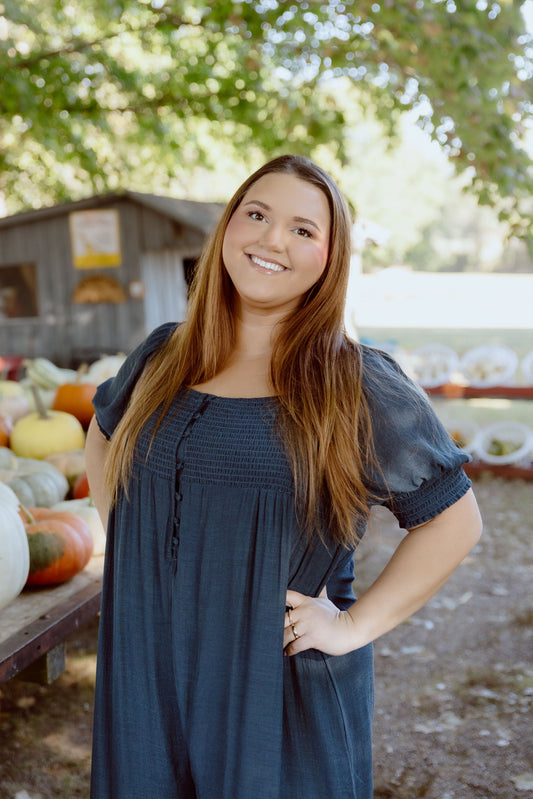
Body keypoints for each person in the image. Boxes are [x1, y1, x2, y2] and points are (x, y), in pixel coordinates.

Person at [86, 154, 482, 799]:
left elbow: (454, 522)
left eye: (303, 230)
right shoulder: (162, 355)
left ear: (330, 258)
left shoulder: (354, 382)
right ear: (227, 231)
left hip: (274, 686)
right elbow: (103, 434)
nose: (273, 240)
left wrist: (352, 627)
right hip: (147, 664)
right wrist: (136, 543)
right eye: (257, 215)